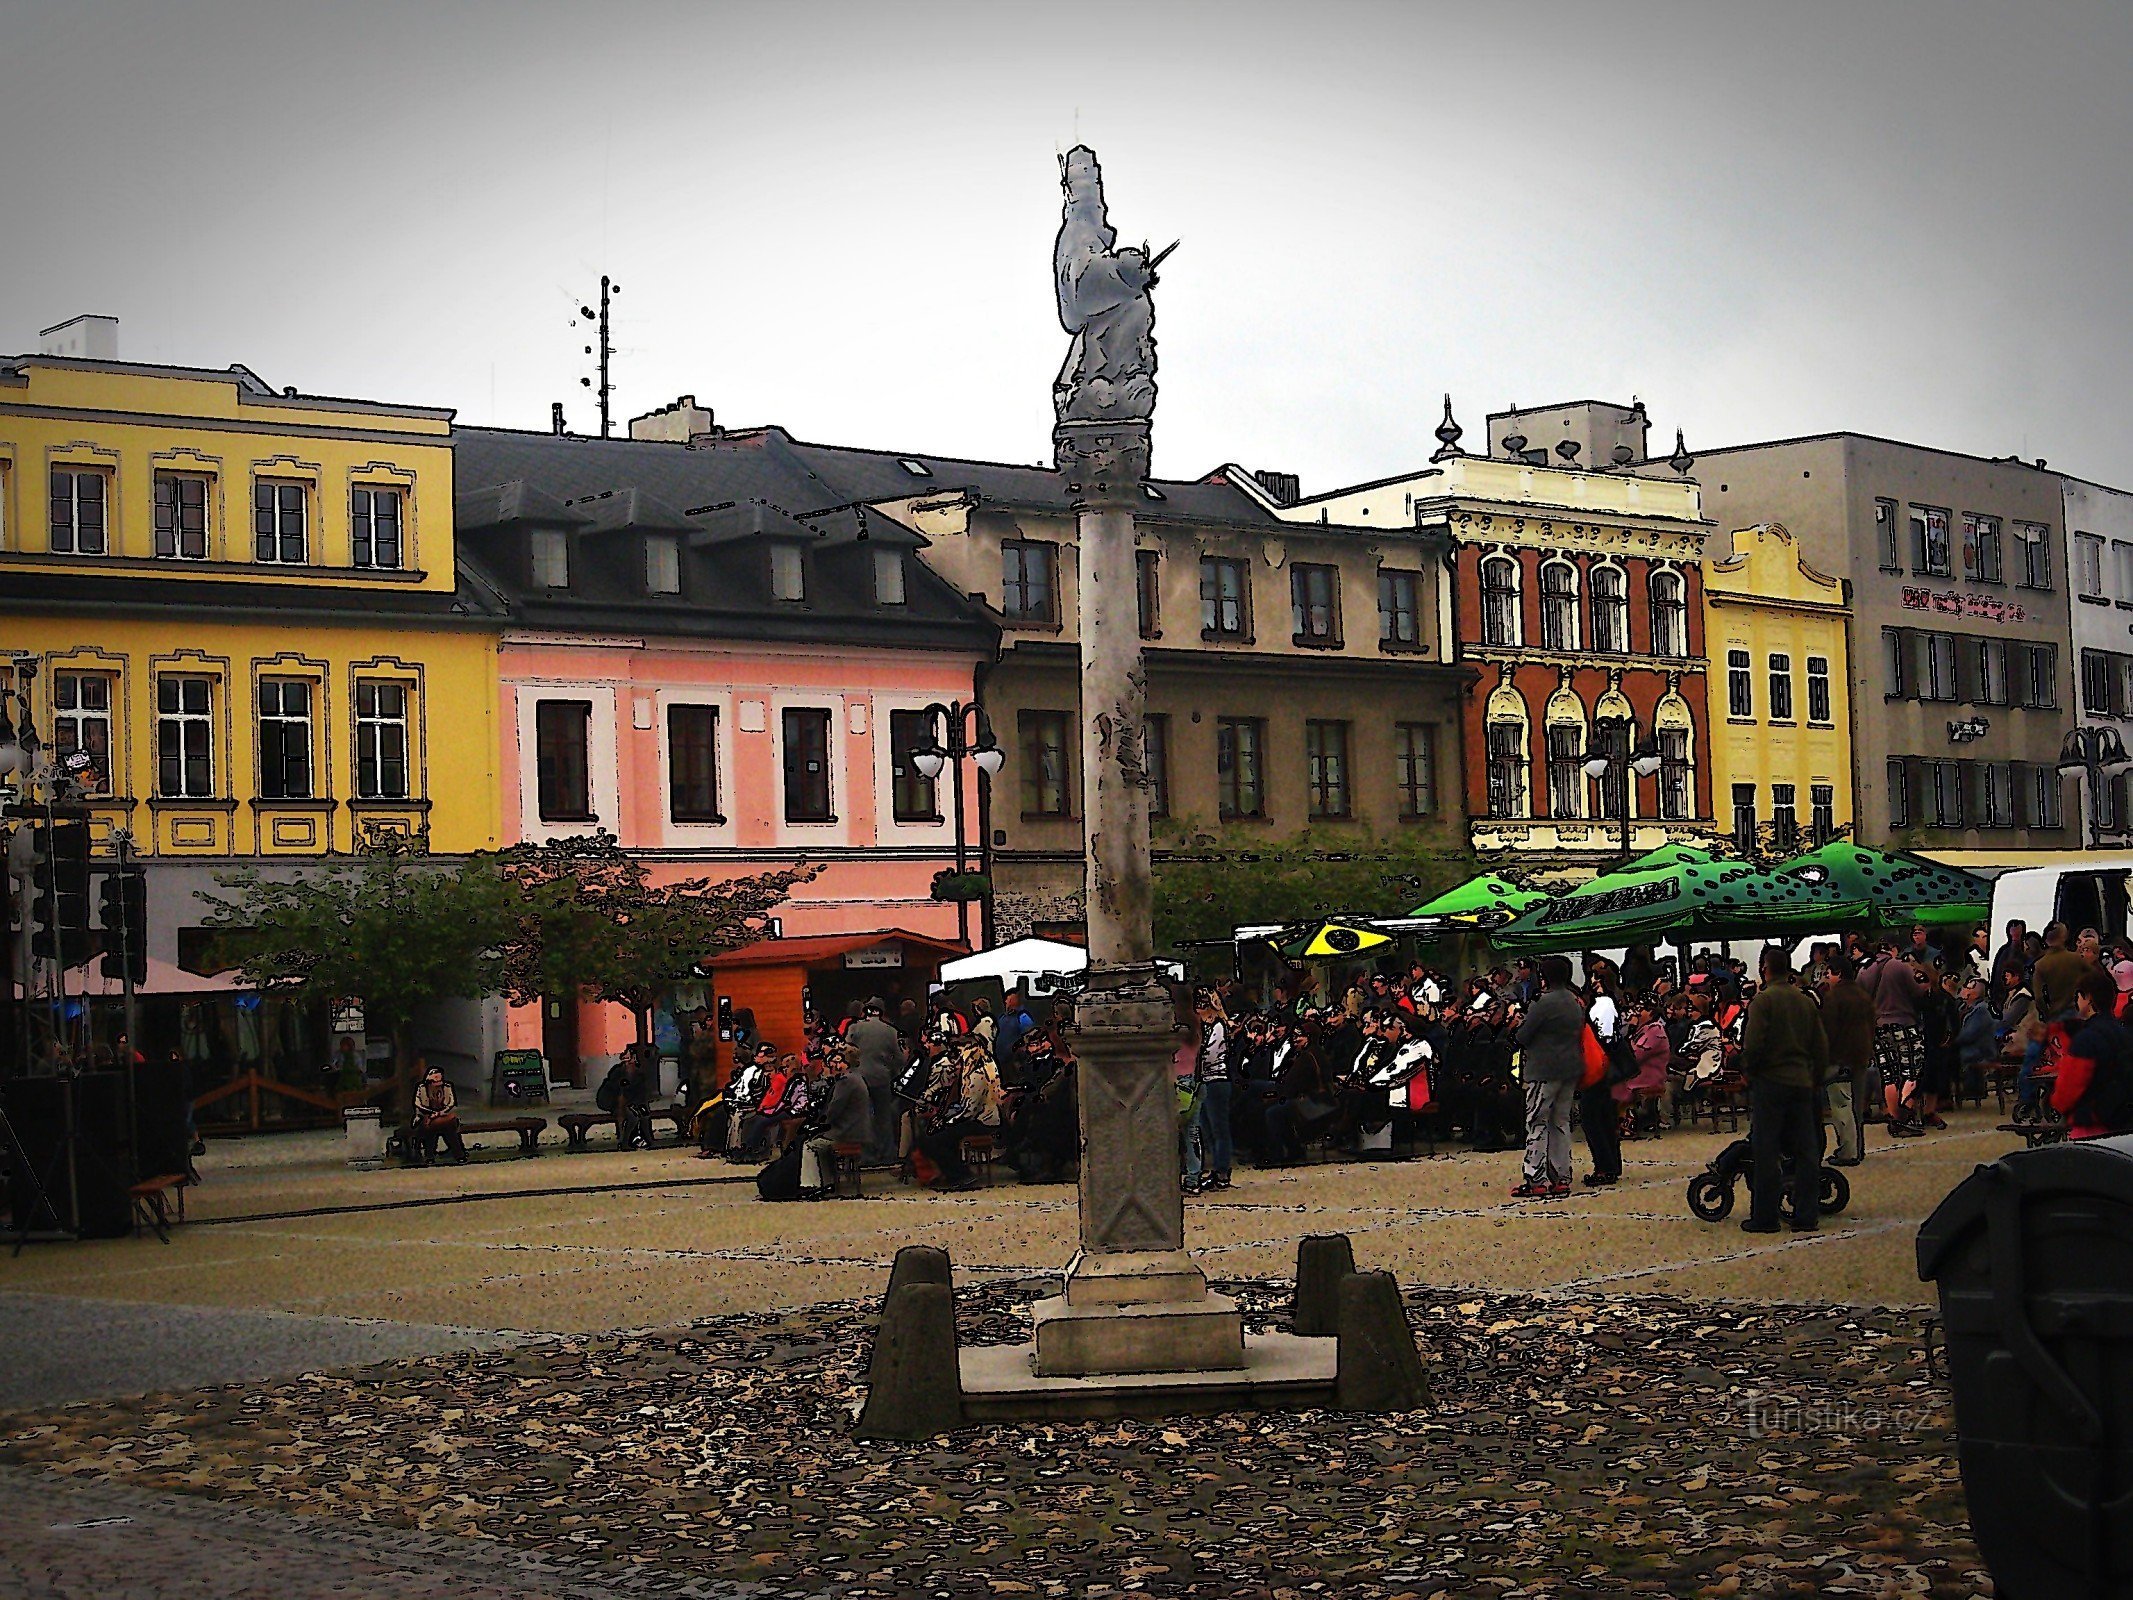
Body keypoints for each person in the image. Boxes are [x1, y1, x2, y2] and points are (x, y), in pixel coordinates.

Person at [1739, 947, 1829, 1233]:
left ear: (1765, 969)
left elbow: (1753, 1045)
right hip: (1801, 1082)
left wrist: (1750, 1073)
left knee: (1766, 1150)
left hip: (1771, 1082)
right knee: (1806, 1151)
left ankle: (1765, 1217)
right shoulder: (1805, 1002)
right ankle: (1806, 1214)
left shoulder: (1762, 1002)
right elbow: (1821, 1046)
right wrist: (1813, 1077)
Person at [1511, 955, 1585, 1199]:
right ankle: (1562, 1176)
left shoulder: (1544, 1003)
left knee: (1536, 1122)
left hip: (1544, 1069)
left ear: (1544, 977)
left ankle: (1536, 1178)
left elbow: (1522, 1036)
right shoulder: (1574, 1001)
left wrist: (1518, 1023)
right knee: (1561, 1123)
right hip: (1570, 1068)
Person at [2022, 921, 2096, 1121]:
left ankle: (2027, 1101)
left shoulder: (2041, 965)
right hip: (2075, 1013)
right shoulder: (2075, 960)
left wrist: (2046, 1013)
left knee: (2036, 1057)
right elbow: (2094, 979)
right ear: (2064, 937)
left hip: (2053, 1015)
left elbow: (2038, 997)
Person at [1861, 938, 1929, 1139]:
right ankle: (1905, 1117)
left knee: (1888, 1076)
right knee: (1911, 1072)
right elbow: (1917, 994)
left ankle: (1893, 1118)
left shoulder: (1864, 972)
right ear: (1892, 950)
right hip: (1904, 1024)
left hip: (1879, 1027)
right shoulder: (1900, 967)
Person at [2053, 972, 2133, 1140]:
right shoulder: (2124, 1033)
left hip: (2092, 1124)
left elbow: (2068, 1090)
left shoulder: (2086, 1039)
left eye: (2078, 996)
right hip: (2125, 1123)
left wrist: (2057, 1103)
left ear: (2088, 998)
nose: (2076, 1001)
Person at [917, 1038, 1003, 1192]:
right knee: (936, 1137)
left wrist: (946, 1121)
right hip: (970, 1120)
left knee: (933, 1140)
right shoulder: (968, 1073)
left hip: (981, 1122)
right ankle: (953, 1174)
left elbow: (969, 1110)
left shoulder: (977, 1075)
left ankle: (961, 1174)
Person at [1818, 956, 1876, 1167]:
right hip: (1860, 1057)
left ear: (1838, 974)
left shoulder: (1834, 998)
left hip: (1839, 1058)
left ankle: (1847, 1152)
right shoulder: (1863, 996)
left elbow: (1828, 1032)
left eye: (1829, 973)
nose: (1827, 977)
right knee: (1856, 1107)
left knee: (1842, 1106)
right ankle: (1858, 1148)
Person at [800, 1046, 873, 1194]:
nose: (832, 1064)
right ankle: (827, 1181)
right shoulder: (856, 1077)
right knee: (818, 1140)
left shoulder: (846, 1081)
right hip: (857, 1129)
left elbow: (833, 1111)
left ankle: (813, 1185)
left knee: (810, 1144)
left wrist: (819, 1125)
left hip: (847, 1132)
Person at [1578, 965, 1625, 1188]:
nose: (1592, 980)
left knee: (1594, 1119)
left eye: (1596, 977)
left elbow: (1605, 1036)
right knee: (1603, 1117)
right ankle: (1611, 1164)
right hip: (1602, 1066)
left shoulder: (1604, 1003)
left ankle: (1604, 1167)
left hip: (1599, 1066)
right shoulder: (1606, 1002)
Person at [844, 999, 906, 1166]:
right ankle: (887, 1155)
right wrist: (888, 1067)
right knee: (883, 1117)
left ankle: (867, 1156)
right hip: (881, 1078)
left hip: (860, 1078)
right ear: (882, 1011)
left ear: (866, 1011)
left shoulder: (855, 1028)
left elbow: (846, 1052)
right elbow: (900, 1058)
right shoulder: (890, 1031)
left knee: (863, 1118)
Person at [1192, 990, 1234, 1192]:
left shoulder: (1219, 1027)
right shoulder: (1204, 1027)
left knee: (1219, 1129)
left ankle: (1222, 1171)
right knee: (1207, 1129)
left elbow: (1211, 1054)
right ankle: (1215, 1168)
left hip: (1217, 1081)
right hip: (1204, 1082)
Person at [411, 1063, 467, 1166]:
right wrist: (431, 1114)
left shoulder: (447, 1087)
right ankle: (432, 1155)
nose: (438, 1084)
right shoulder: (422, 1088)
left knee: (449, 1129)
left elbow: (451, 1103)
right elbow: (418, 1104)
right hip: (427, 1115)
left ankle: (456, 1155)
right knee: (430, 1129)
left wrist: (438, 1114)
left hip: (443, 1115)